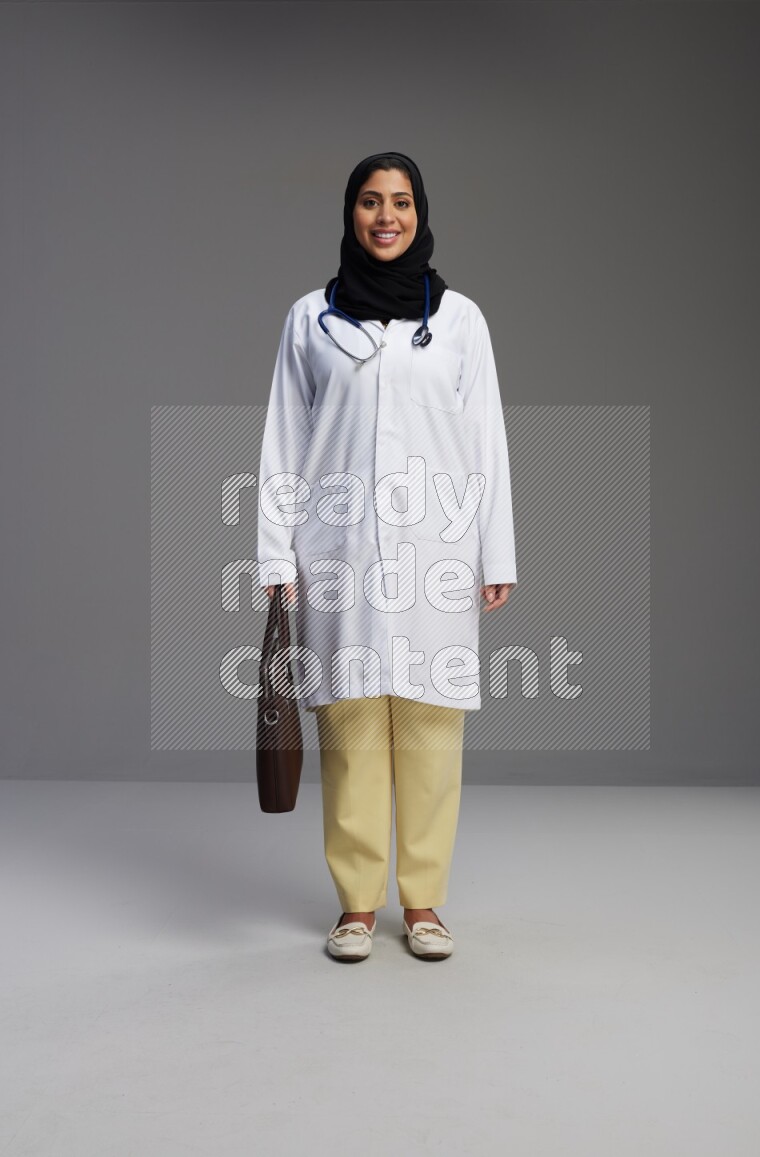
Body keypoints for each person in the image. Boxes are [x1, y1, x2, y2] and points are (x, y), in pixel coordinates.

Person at [257, 151, 517, 961]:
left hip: (438, 547)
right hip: (338, 552)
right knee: (351, 725)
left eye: (400, 202)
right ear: (351, 213)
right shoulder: (311, 318)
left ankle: (425, 901)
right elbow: (283, 441)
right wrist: (275, 554)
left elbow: (488, 442)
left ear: (420, 212)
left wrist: (495, 550)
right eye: (370, 201)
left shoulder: (461, 320)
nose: (386, 216)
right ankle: (357, 906)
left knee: (433, 728)